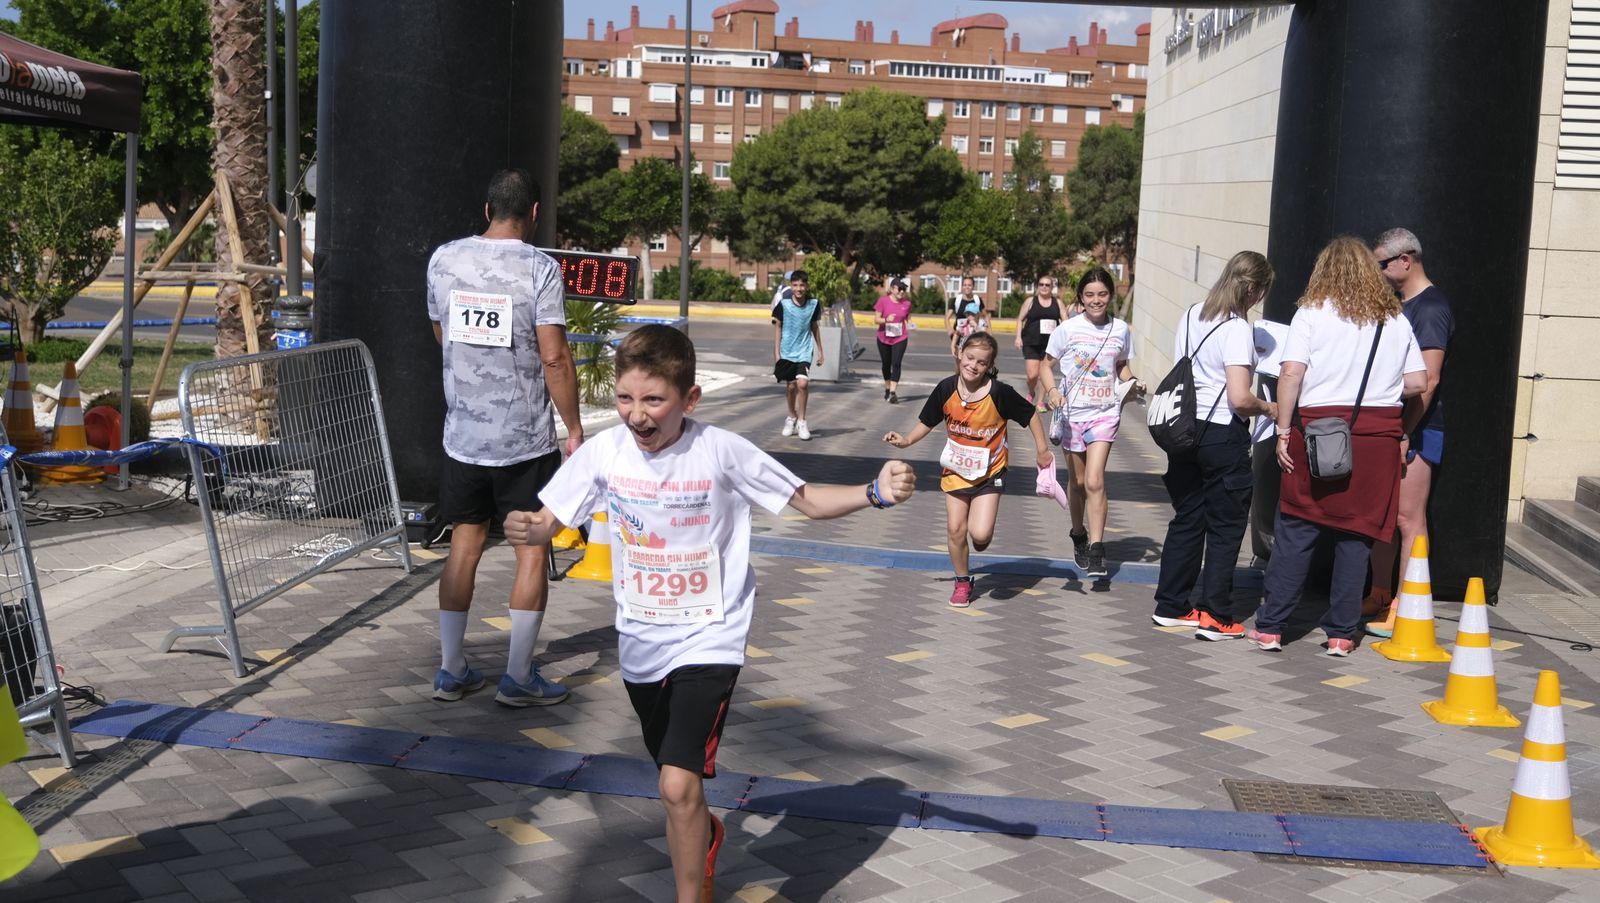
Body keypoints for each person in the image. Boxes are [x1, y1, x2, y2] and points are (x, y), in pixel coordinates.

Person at [503, 325, 916, 903]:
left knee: (675, 786)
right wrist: (529, 526)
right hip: (641, 639)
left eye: (654, 401)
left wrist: (873, 491)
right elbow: (549, 518)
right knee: (679, 787)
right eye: (625, 398)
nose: (637, 415)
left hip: (711, 633)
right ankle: (707, 835)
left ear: (689, 399)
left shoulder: (721, 450)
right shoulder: (604, 451)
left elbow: (808, 500)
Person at [424, 168, 582, 706]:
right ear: (534, 213)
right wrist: (575, 428)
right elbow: (555, 356)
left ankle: (450, 669)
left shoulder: (443, 259)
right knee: (530, 552)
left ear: (486, 207)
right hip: (524, 442)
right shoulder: (540, 269)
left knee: (463, 547)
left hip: (462, 437)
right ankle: (517, 678)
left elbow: (441, 333)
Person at [1248, 236, 1427, 656]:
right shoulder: (1394, 318)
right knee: (1357, 536)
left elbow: (1290, 375)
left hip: (1317, 432)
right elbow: (1419, 382)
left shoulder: (1311, 314)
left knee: (1296, 526)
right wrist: (1378, 391)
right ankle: (1343, 635)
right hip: (1378, 438)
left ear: (1323, 271)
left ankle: (1273, 627)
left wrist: (1283, 431)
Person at [1150, 251, 1277, 640]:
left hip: (1184, 430)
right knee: (1225, 525)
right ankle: (1216, 615)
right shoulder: (1238, 328)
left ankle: (1172, 604)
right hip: (1221, 433)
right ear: (1252, 288)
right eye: (1260, 293)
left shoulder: (1193, 312)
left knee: (1188, 516)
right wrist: (1270, 406)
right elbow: (1240, 399)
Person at [884, 332, 1053, 608]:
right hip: (956, 470)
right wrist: (905, 441)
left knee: (981, 535)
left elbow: (1031, 414)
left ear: (989, 366)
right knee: (954, 529)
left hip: (990, 472)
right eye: (970, 358)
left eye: (981, 362)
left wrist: (1042, 449)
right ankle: (963, 581)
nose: (973, 365)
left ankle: (979, 541)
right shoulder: (946, 388)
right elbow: (927, 421)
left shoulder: (999, 392)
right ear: (960, 355)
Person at [1364, 227, 1454, 637]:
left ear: (1406, 260)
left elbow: (1430, 380)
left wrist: (1404, 433)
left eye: (1382, 263)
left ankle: (1407, 603)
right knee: (1383, 514)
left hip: (1418, 428)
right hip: (1394, 426)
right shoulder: (1400, 305)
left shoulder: (1431, 308)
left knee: (1407, 518)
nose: (1378, 270)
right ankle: (1381, 592)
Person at [1042, 267, 1140, 578]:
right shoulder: (1067, 330)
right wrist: (1053, 391)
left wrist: (1134, 382)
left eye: (1102, 294)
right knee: (1079, 483)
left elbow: (1121, 366)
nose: (1096, 300)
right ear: (1081, 299)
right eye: (1089, 295)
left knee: (1096, 480)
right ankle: (1078, 534)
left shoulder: (1121, 330)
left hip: (1105, 413)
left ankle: (1097, 549)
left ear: (1111, 296)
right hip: (1072, 415)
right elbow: (1046, 366)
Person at [771, 269, 822, 440]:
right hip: (787, 351)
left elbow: (815, 327)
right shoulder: (783, 305)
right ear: (791, 287)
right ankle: (791, 416)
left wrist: (820, 351)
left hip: (804, 351)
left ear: (806, 286)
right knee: (791, 387)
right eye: (795, 285)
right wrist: (777, 353)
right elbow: (777, 327)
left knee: (802, 384)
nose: (799, 288)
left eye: (802, 285)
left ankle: (802, 421)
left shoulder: (813, 304)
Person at [1013, 274, 1063, 407]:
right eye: (1041, 284)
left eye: (1047, 285)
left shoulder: (1057, 303)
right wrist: (1018, 337)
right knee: (1032, 375)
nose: (1044, 287)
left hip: (1050, 344)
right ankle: (1031, 392)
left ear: (1052, 287)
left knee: (1044, 374)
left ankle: (1040, 401)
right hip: (1031, 341)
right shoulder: (1030, 301)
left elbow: (1065, 321)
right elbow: (1020, 319)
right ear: (1038, 286)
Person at [874, 279, 913, 404]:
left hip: (900, 337)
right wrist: (886, 319)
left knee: (896, 363)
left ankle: (892, 392)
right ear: (892, 289)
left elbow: (908, 317)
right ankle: (887, 387)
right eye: (899, 288)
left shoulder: (907, 304)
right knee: (886, 364)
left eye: (904, 289)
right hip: (883, 337)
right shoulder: (883, 301)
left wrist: (911, 323)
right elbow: (876, 319)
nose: (902, 291)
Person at [946, 275, 990, 355]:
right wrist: (949, 329)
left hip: (973, 333)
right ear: (962, 286)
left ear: (973, 286)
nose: (967, 287)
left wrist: (989, 332)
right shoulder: (956, 300)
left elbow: (986, 316)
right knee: (959, 360)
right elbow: (947, 317)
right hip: (959, 333)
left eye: (969, 285)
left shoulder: (977, 300)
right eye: (965, 285)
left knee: (971, 357)